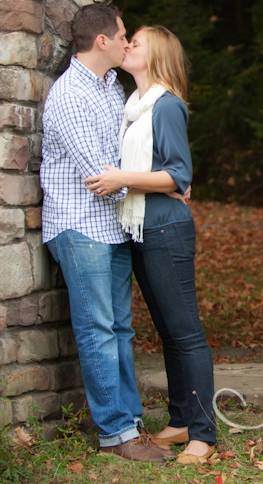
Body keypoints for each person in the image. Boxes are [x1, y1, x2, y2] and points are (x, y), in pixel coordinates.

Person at [40, 4, 170, 462]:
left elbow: (125, 164)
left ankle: (131, 423)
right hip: (79, 228)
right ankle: (116, 434)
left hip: (112, 229)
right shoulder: (69, 95)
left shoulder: (112, 88)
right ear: (102, 42)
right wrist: (156, 193)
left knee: (120, 328)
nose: (126, 43)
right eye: (121, 36)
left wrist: (151, 183)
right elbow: (99, 176)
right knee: (97, 329)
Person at [83, 25, 217, 464]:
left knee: (187, 334)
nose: (127, 46)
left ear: (155, 55)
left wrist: (123, 178)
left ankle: (203, 433)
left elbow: (179, 176)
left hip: (165, 232)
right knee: (169, 333)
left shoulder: (166, 107)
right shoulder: (134, 107)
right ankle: (180, 421)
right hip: (140, 229)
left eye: (135, 43)